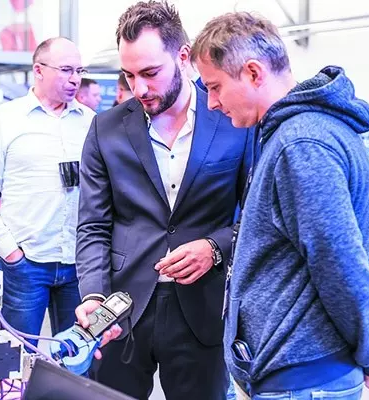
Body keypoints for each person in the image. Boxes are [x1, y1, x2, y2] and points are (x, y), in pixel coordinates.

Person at [191, 12, 369, 399]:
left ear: (253, 73)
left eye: (215, 87)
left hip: (303, 378)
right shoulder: (295, 134)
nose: (212, 103)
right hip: (296, 372)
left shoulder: (301, 145)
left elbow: (339, 262)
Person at [74, 2, 253, 399]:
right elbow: (93, 225)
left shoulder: (233, 121)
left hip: (203, 309)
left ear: (183, 57)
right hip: (121, 310)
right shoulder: (106, 129)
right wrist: (94, 296)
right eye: (129, 75)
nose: (139, 88)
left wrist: (215, 247)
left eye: (150, 73)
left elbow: (257, 215)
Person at [0, 37, 96, 344]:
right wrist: (10, 253)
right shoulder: (4, 120)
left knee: (78, 357)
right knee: (17, 356)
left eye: (79, 70)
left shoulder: (91, 122)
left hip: (79, 265)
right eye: (66, 70)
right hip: (26, 265)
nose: (75, 79)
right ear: (38, 70)